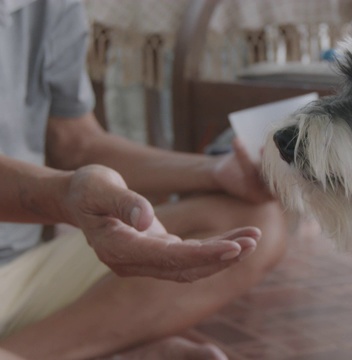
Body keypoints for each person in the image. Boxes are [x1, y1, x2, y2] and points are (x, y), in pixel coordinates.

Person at [0, 0, 288, 359]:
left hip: (18, 271)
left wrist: (214, 172)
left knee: (252, 222)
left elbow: (76, 143)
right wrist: (63, 195)